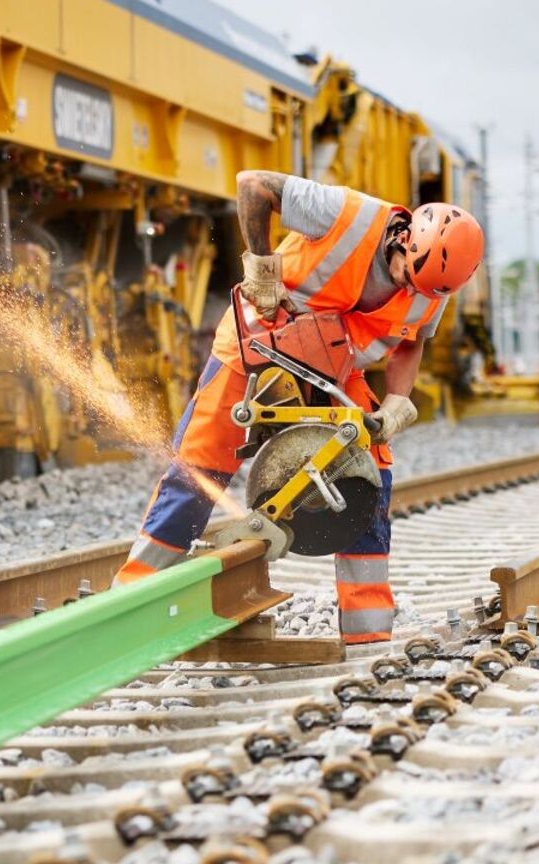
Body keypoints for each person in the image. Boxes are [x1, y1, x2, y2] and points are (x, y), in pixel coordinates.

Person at [112, 170, 485, 643]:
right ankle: (130, 599)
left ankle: (367, 632)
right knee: (199, 466)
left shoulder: (434, 286)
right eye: (405, 274)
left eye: (422, 289)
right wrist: (262, 269)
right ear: (405, 238)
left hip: (333, 367)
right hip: (256, 344)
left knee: (368, 472)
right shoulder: (346, 213)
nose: (407, 289)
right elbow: (252, 186)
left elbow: (411, 344)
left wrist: (396, 402)